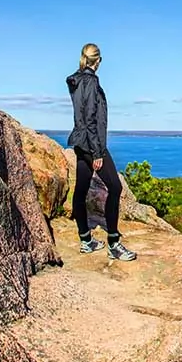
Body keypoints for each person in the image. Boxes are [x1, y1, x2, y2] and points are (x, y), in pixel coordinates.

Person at [66, 43, 137, 261]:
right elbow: (90, 119)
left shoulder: (75, 81)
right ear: (98, 61)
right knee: (115, 187)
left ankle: (86, 240)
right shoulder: (91, 82)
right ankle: (114, 244)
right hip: (91, 144)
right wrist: (97, 152)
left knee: (81, 189)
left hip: (79, 141)